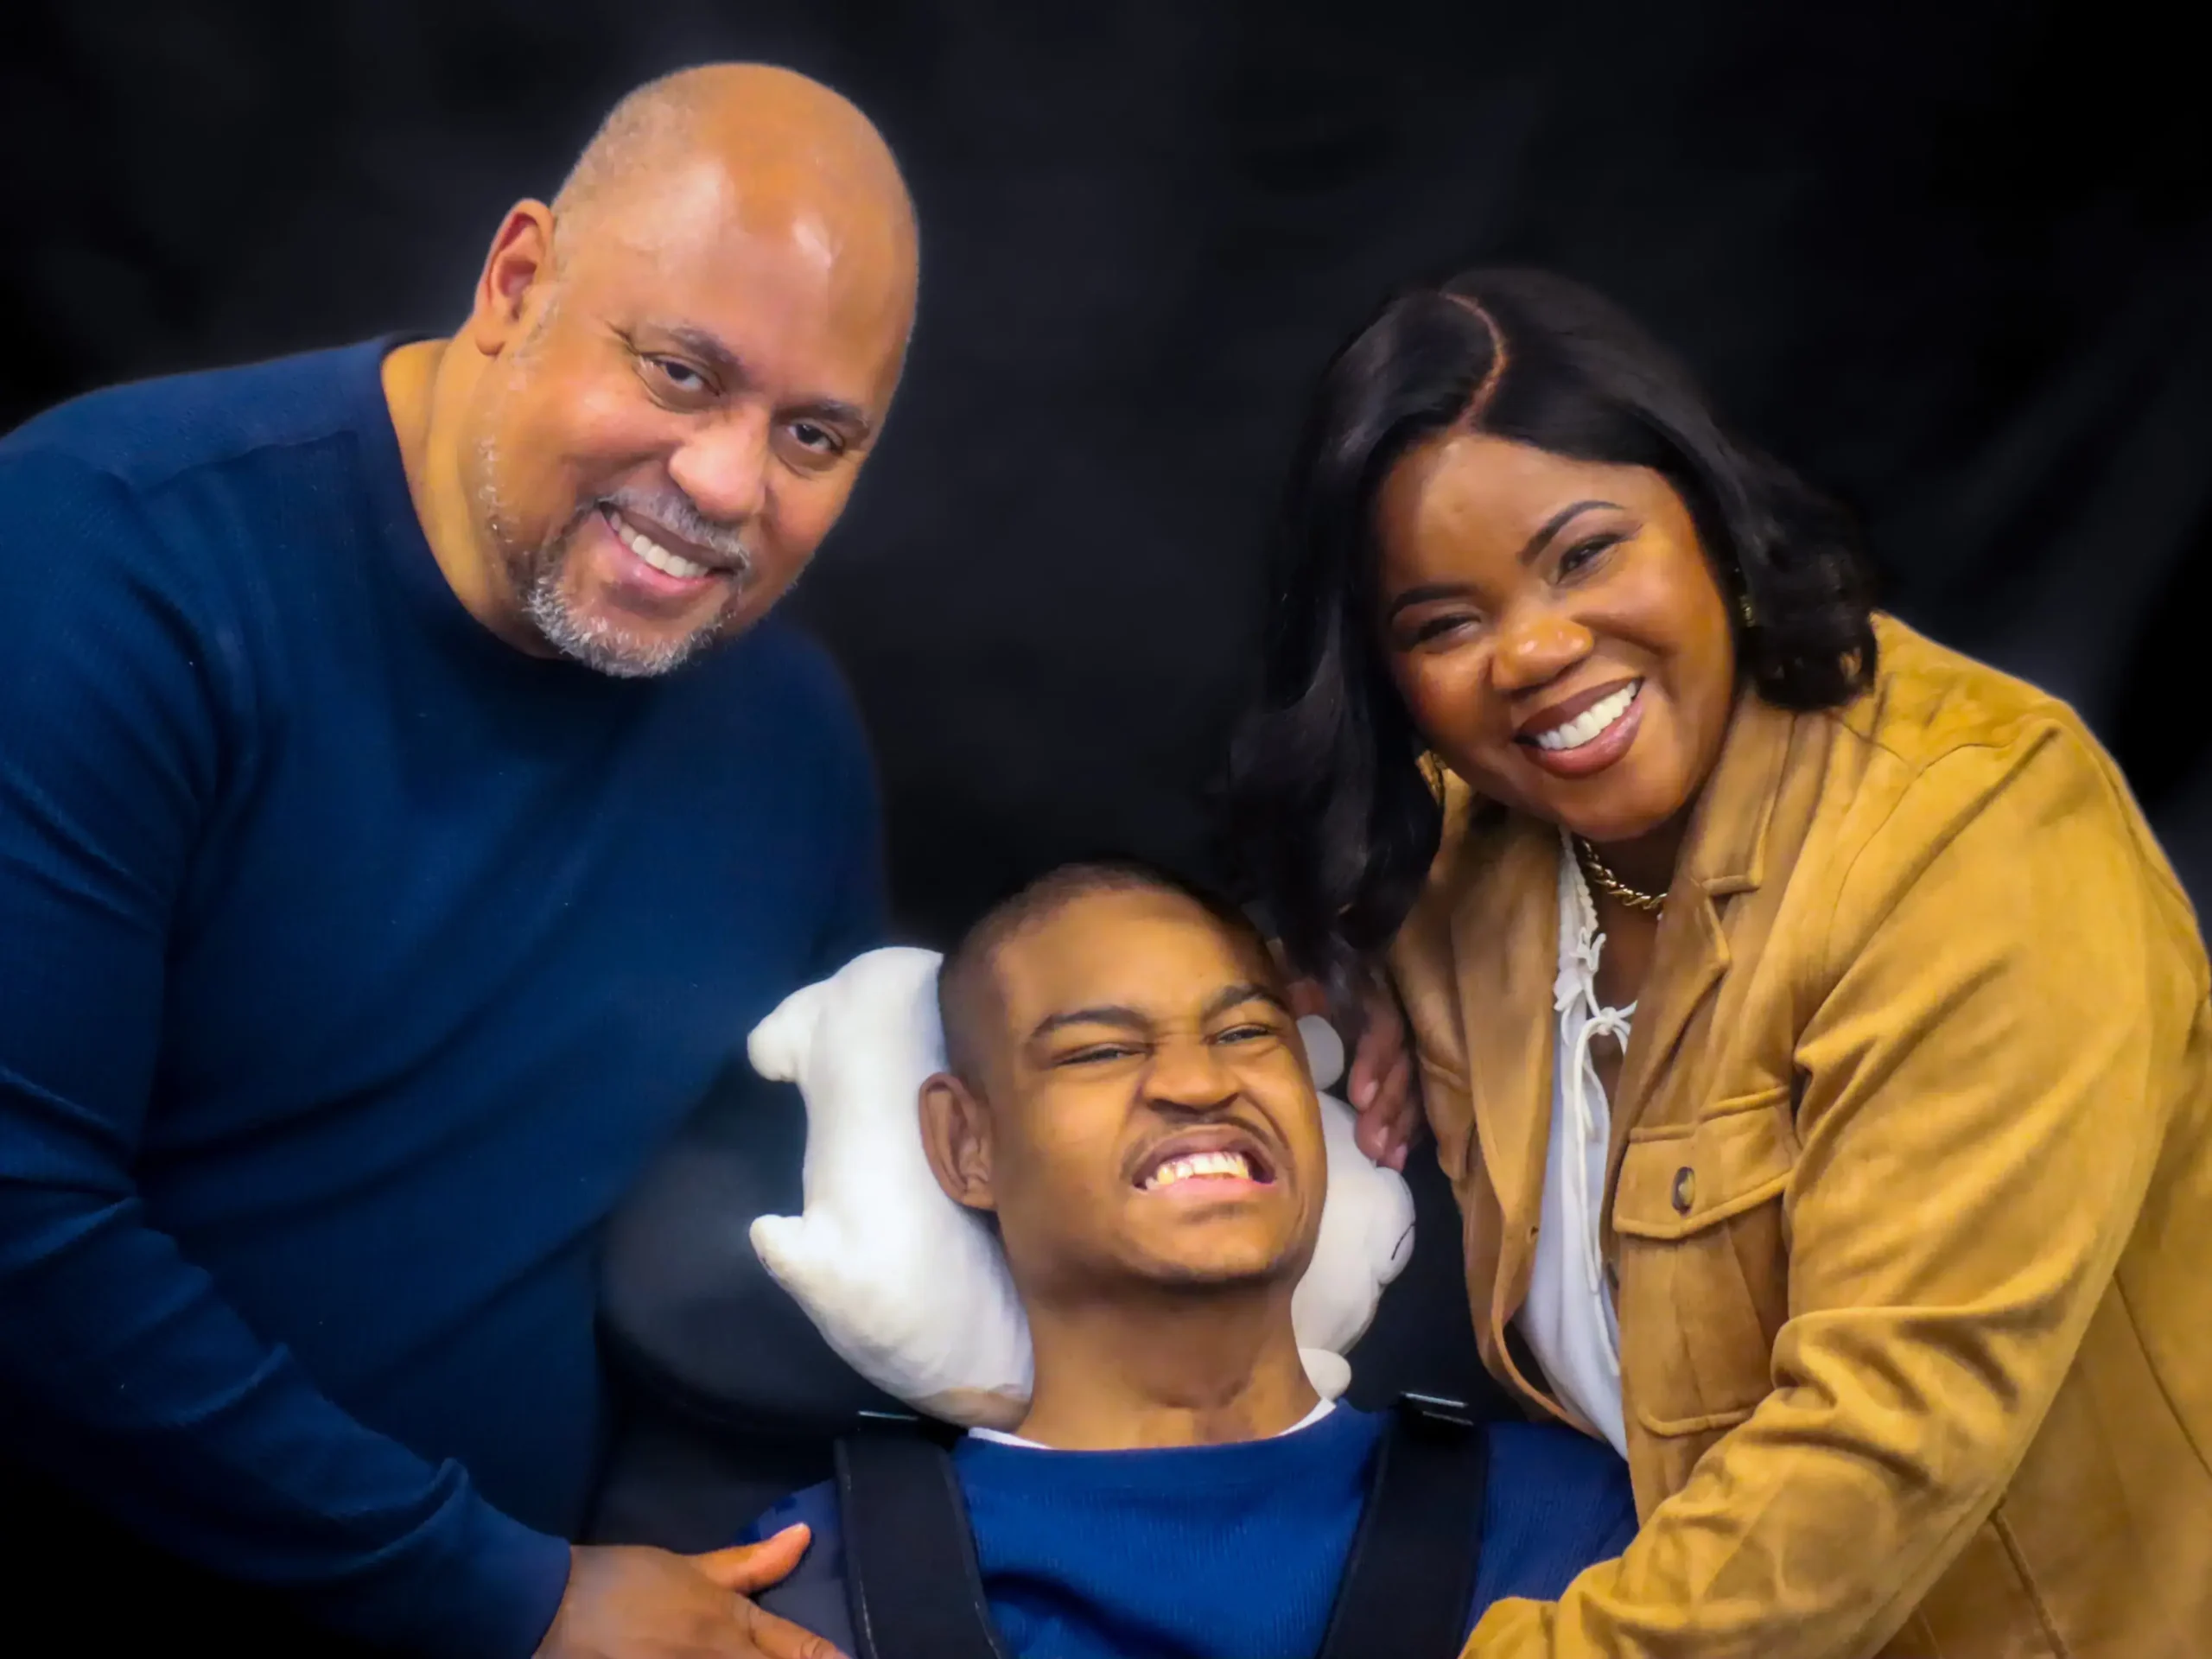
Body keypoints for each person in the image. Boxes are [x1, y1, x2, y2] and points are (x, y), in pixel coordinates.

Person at [0, 63, 916, 1659]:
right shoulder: (99, 553)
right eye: (684, 371)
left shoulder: (790, 739)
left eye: (814, 435)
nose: (725, 484)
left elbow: (804, 1216)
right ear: (516, 284)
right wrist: (510, 1594)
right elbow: (17, 1226)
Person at [1230, 266, 2212, 1656]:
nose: (1539, 650)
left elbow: (1876, 1451)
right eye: (1446, 624)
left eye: (1585, 553)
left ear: (1705, 517)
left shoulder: (1978, 835)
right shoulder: (1476, 859)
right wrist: (1327, 971)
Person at [737, 860, 1638, 1659]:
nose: (1200, 1084)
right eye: (1102, 1050)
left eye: (1247, 1035)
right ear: (966, 1143)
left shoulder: (1566, 1523)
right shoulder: (820, 1587)